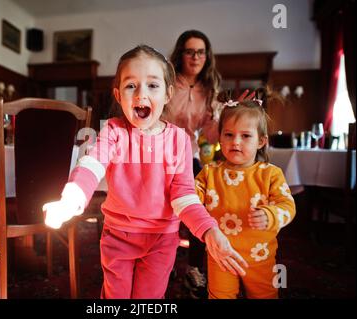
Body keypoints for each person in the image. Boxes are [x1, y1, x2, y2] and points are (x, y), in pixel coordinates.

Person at [42, 44, 248, 299]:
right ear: (118, 95)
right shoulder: (114, 132)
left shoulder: (179, 140)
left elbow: (184, 195)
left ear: (168, 93)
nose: (141, 93)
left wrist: (209, 230)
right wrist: (71, 198)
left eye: (152, 85)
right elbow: (91, 165)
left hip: (162, 241)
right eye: (131, 85)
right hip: (118, 236)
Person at [164, 30, 253, 298]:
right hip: (157, 154)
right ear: (181, 54)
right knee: (160, 212)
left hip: (187, 157)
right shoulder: (166, 82)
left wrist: (232, 115)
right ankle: (163, 264)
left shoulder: (210, 89)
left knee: (201, 207)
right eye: (189, 51)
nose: (195, 57)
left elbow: (212, 135)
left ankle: (193, 268)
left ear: (207, 56)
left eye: (200, 52)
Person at [195, 88, 296, 299]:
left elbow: (288, 206)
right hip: (220, 254)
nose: (236, 142)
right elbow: (190, 199)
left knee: (265, 295)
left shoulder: (270, 174)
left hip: (260, 256)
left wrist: (270, 214)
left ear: (261, 141)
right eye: (229, 135)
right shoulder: (210, 172)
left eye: (246, 136)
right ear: (220, 138)